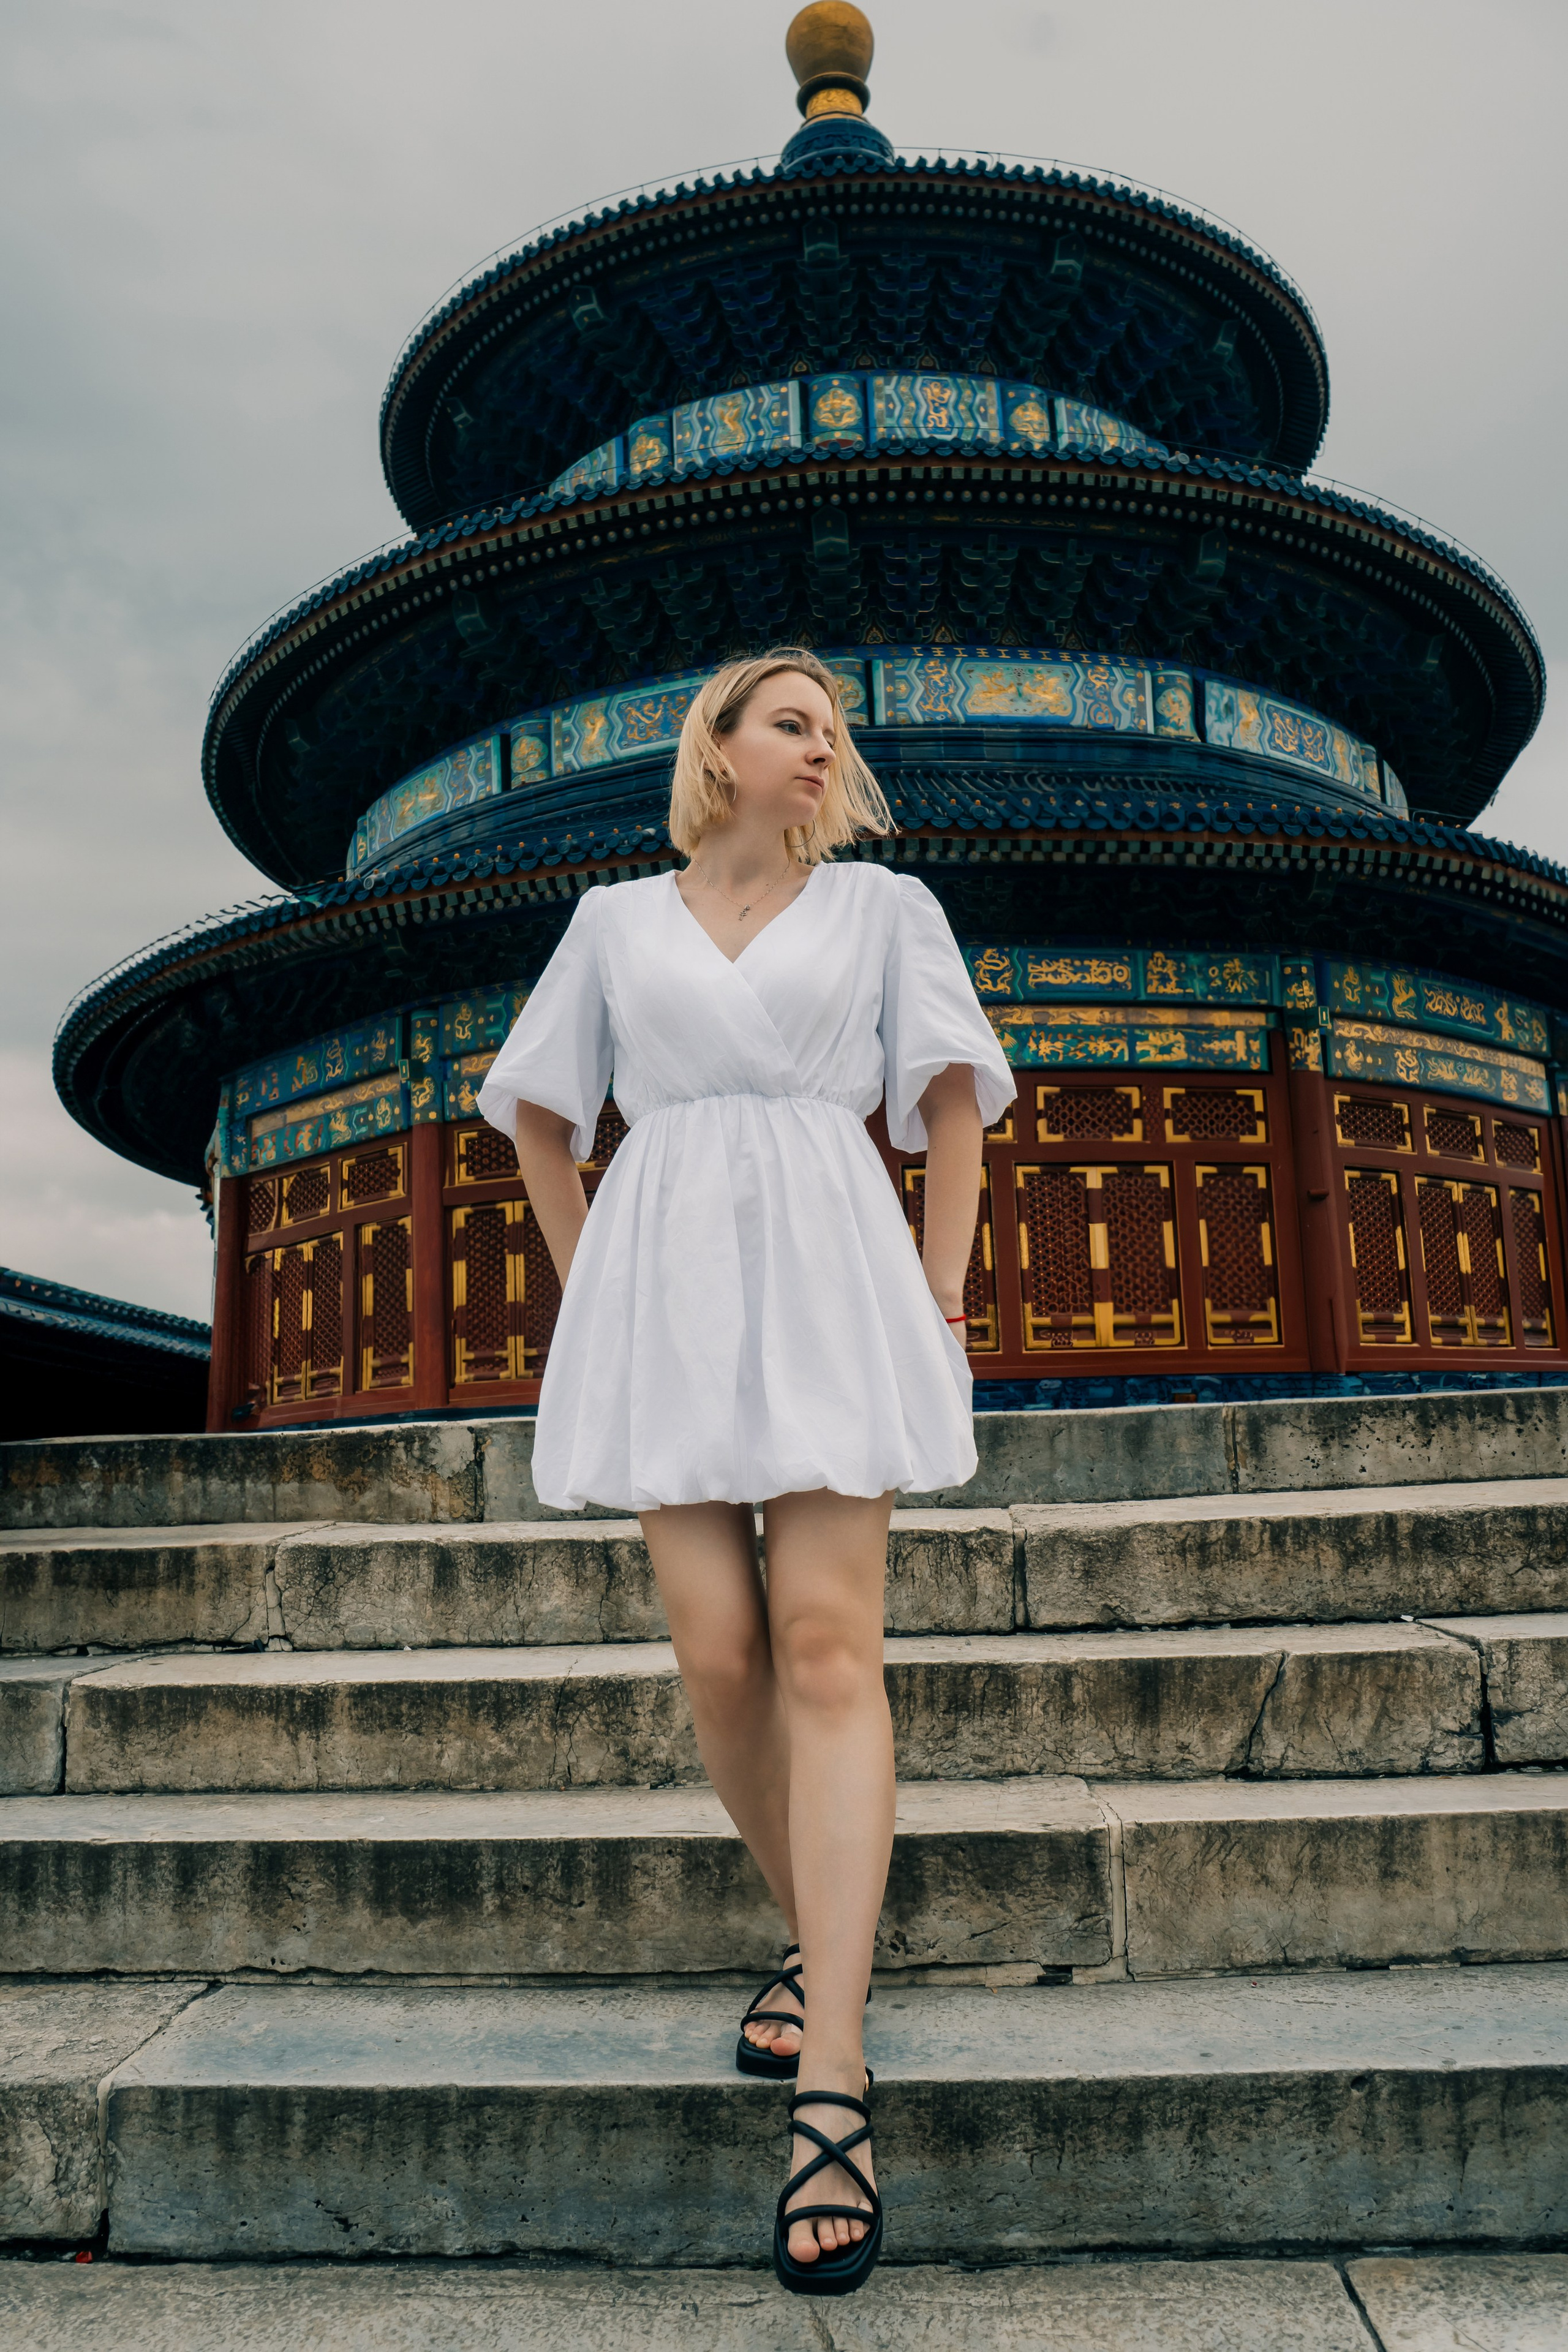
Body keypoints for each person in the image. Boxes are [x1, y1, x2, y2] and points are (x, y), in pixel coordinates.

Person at [478, 647, 1014, 2296]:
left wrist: (939, 1294)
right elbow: (539, 1121)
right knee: (717, 1646)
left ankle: (835, 2070)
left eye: (834, 732)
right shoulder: (610, 926)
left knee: (827, 1643)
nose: (821, 746)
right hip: (668, 1303)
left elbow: (952, 1107)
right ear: (715, 743)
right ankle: (814, 1926)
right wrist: (600, 1288)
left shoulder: (885, 913)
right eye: (793, 720)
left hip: (840, 1278)